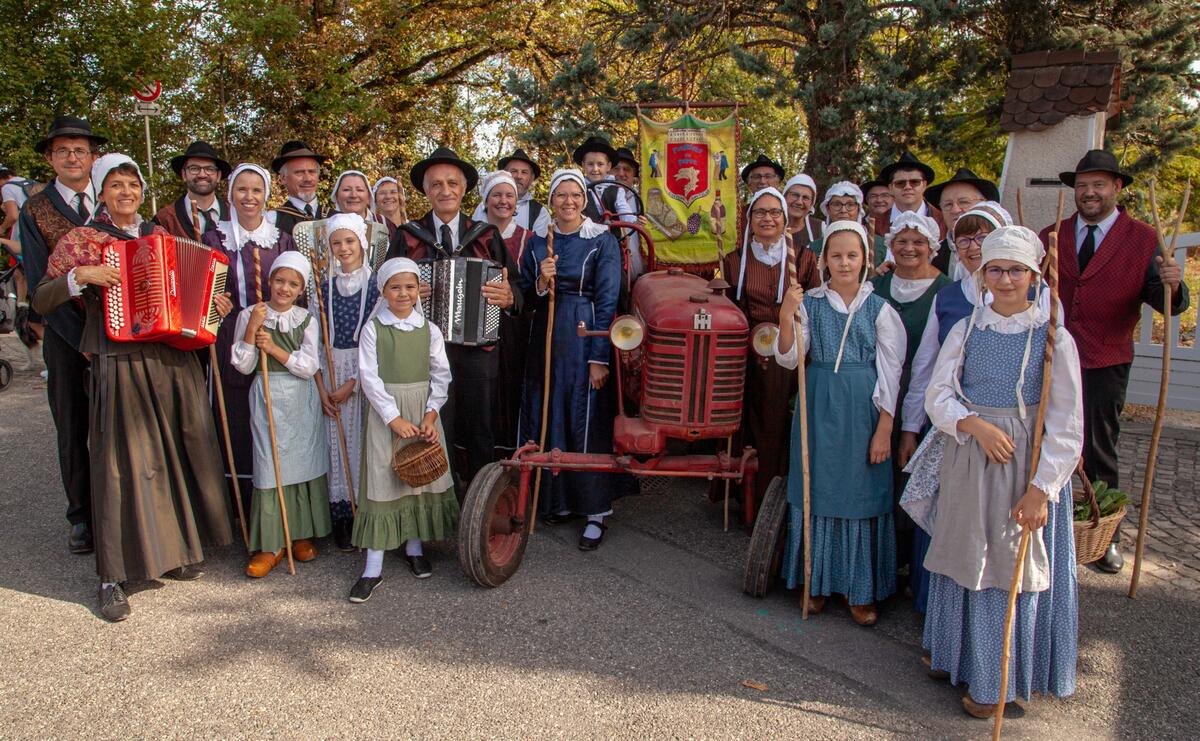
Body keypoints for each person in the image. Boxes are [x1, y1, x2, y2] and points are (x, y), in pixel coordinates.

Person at [31, 153, 233, 621]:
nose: (126, 193)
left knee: (171, 455)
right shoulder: (82, 240)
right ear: (101, 192)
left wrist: (213, 307)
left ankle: (174, 552)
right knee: (119, 464)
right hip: (117, 356)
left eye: (133, 185)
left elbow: (191, 301)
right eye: (116, 185)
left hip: (169, 359)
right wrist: (80, 276)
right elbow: (41, 298)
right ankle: (111, 575)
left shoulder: (158, 237)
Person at [914, 225, 1081, 718]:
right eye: (996, 270)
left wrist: (1041, 489)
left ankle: (995, 681)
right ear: (982, 275)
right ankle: (953, 654)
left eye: (1016, 271)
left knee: (1005, 567)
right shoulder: (968, 329)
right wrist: (971, 424)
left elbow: (1067, 425)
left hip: (1022, 466)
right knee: (963, 554)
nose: (1006, 280)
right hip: (971, 454)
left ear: (1033, 276)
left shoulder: (1053, 338)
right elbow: (938, 393)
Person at [1040, 149, 1189, 573]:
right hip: (1052, 357)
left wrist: (1173, 286)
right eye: (1083, 185)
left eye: (1098, 185)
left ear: (1116, 188)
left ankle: (1104, 536)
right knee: (1046, 442)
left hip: (1106, 360)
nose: (1089, 192)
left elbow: (1170, 306)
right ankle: (1051, 527)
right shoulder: (1053, 233)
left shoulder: (1144, 240)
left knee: (1098, 448)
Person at [774, 220, 905, 626]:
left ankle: (860, 589)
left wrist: (884, 427)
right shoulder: (810, 302)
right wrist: (785, 316)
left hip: (863, 408)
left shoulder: (880, 309)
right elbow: (790, 358)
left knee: (861, 491)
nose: (844, 263)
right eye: (836, 255)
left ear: (867, 259)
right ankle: (814, 581)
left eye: (852, 255)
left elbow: (892, 372)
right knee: (818, 487)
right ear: (823, 260)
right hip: (818, 403)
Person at [896, 202, 1013, 612]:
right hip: (951, 424)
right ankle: (937, 615)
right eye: (965, 237)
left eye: (983, 236)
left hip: (1010, 434)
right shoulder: (948, 299)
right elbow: (926, 370)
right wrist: (911, 428)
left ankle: (987, 620)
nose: (974, 246)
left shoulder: (1036, 299)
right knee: (945, 520)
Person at [386, 147, 521, 487]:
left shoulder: (487, 235)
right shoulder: (408, 236)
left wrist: (509, 297)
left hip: (479, 351)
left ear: (463, 190)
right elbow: (384, 288)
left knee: (480, 428)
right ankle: (437, 502)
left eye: (452, 183)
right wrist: (408, 295)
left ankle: (479, 502)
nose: (444, 191)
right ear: (426, 191)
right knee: (432, 427)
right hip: (422, 351)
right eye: (436, 185)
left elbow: (518, 286)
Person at [520, 169, 623, 549]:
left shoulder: (601, 241)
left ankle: (594, 511)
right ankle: (557, 501)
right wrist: (542, 282)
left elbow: (609, 298)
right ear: (551, 199)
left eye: (575, 195)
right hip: (545, 336)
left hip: (584, 333)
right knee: (550, 411)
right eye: (561, 195)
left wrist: (600, 357)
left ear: (584, 199)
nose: (568, 202)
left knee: (584, 416)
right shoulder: (537, 243)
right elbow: (525, 300)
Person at [18, 115, 105, 555]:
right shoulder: (35, 209)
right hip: (67, 335)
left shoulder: (111, 199)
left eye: (80, 150)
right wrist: (82, 343)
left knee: (116, 427)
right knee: (72, 426)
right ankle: (80, 516)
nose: (73, 157)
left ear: (93, 157)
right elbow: (38, 290)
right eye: (63, 150)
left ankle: (114, 510)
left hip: (114, 334)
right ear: (51, 158)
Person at [349, 258, 458, 599]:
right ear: (382, 291)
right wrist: (393, 418)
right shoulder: (374, 329)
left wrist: (430, 414)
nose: (403, 293)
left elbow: (441, 374)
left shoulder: (430, 329)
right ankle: (373, 567)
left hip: (422, 408)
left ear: (418, 291)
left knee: (418, 477)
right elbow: (369, 377)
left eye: (410, 287)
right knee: (384, 479)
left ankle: (414, 548)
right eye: (395, 287)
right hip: (388, 414)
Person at [231, 251, 330, 577]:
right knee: (270, 465)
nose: (284, 288)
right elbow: (243, 365)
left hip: (301, 399)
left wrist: (273, 348)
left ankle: (298, 533)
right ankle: (271, 544)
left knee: (301, 464)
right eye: (279, 280)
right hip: (268, 394)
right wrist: (252, 331)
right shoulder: (252, 314)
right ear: (269, 281)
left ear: (301, 289)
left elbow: (309, 367)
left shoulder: (307, 319)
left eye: (292, 284)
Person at [203, 164, 298, 504]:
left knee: (276, 414)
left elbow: (294, 287)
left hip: (273, 332)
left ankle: (280, 501)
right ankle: (238, 502)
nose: (249, 197)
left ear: (266, 195)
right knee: (237, 414)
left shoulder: (281, 239)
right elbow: (201, 283)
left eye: (256, 190)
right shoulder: (215, 237)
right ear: (230, 194)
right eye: (242, 189)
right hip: (231, 333)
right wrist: (214, 299)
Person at [722, 186, 820, 511]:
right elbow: (727, 307)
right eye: (760, 212)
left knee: (777, 422)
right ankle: (742, 499)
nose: (768, 218)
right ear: (750, 219)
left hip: (785, 354)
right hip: (744, 356)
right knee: (743, 421)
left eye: (774, 212)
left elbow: (815, 309)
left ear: (784, 218)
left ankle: (774, 502)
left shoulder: (803, 260)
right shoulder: (734, 261)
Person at [871, 212, 951, 589]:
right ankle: (882, 557)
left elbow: (928, 365)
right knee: (877, 470)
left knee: (913, 469)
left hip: (923, 393)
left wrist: (910, 425)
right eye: (901, 240)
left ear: (932, 246)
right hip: (878, 390)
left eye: (918, 241)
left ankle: (910, 559)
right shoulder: (876, 285)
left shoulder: (944, 291)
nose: (909, 247)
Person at [314, 212, 378, 551]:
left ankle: (362, 512)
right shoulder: (322, 289)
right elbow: (314, 337)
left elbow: (378, 336)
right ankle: (340, 513)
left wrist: (353, 382)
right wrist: (322, 383)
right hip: (331, 365)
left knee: (360, 442)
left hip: (363, 370)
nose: (343, 248)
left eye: (349, 241)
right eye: (336, 242)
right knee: (335, 443)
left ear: (362, 243)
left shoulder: (377, 284)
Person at [479, 171, 534, 452]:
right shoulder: (474, 236)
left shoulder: (530, 238)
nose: (503, 201)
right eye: (497, 195)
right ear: (486, 200)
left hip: (515, 331)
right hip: (477, 328)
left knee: (511, 390)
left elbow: (534, 291)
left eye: (509, 195)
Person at [574, 135, 642, 279]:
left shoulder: (616, 190)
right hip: (585, 247)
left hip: (612, 249)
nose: (595, 169)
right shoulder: (578, 190)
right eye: (590, 164)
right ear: (583, 165)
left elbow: (625, 213)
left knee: (620, 283)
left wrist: (635, 222)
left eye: (600, 164)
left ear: (608, 167)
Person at [925, 168, 998, 279]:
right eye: (948, 204)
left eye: (963, 202)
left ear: (984, 204)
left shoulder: (1002, 246)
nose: (955, 210)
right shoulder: (934, 255)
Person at [153, 141, 231, 239]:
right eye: (194, 168)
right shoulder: (165, 219)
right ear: (184, 174)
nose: (202, 174)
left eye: (209, 169)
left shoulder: (233, 215)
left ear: (218, 176)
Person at [471, 148, 550, 237]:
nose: (519, 176)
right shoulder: (483, 206)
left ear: (531, 178)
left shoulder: (539, 212)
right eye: (514, 171)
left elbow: (537, 247)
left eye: (524, 172)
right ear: (504, 174)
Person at [809, 181, 887, 268]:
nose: (843, 210)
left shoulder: (880, 245)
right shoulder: (815, 248)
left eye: (850, 205)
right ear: (828, 209)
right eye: (837, 204)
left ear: (858, 209)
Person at [872, 152, 945, 242]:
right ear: (890, 188)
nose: (907, 187)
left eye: (914, 182)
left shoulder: (944, 222)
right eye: (900, 183)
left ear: (924, 185)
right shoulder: (874, 225)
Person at [267, 140, 326, 235]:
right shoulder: (271, 221)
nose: (307, 179)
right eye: (299, 172)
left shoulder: (337, 218)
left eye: (312, 172)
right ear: (283, 178)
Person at [784, 174, 821, 246]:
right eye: (795, 195)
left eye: (805, 197)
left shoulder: (819, 229)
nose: (799, 202)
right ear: (784, 197)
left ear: (811, 204)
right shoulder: (771, 224)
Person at [372, 176, 405, 242]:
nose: (388, 196)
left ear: (401, 197)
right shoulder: (371, 227)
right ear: (375, 200)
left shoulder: (412, 228)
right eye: (382, 193)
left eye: (393, 192)